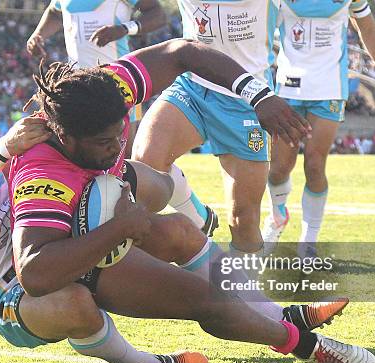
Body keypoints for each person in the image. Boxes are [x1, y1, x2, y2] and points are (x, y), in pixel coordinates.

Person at [9, 39, 375, 363]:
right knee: (206, 300)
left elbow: (183, 52)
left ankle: (271, 307)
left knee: (177, 220)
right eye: (105, 141)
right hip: (75, 259)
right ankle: (305, 345)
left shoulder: (106, 89)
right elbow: (35, 274)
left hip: (104, 207)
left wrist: (259, 95)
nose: (117, 145)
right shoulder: (43, 175)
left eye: (120, 131)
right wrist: (120, 228)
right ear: (66, 137)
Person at [0, 69, 207, 363]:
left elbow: (15, 174)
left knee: (171, 228)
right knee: (74, 303)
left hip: (46, 244)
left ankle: (236, 285)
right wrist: (3, 149)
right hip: (6, 294)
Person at [132, 0, 311, 253]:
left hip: (247, 101)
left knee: (243, 220)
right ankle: (199, 220)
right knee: (145, 162)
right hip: (192, 85)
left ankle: (242, 290)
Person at [263, 0, 375, 257]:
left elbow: (369, 29)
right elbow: (259, 31)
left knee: (315, 164)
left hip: (329, 88)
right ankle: (277, 215)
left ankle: (309, 240)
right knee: (278, 169)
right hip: (288, 87)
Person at [26, 0, 167, 151]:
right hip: (78, 85)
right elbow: (55, 12)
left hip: (119, 82)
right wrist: (38, 34)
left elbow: (158, 15)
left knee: (124, 153)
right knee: (80, 152)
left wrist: (125, 28)